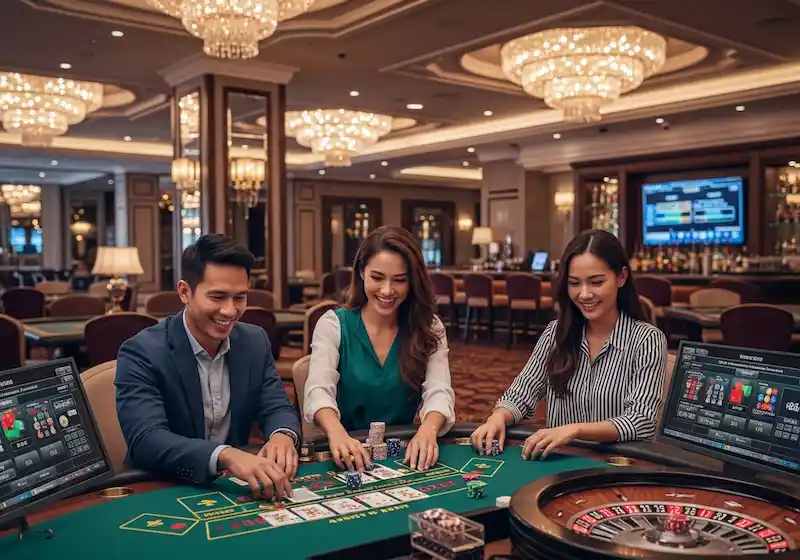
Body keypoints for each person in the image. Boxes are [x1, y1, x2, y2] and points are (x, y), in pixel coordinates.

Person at [115, 234, 300, 500]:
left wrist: (282, 435)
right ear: (184, 292)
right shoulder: (142, 351)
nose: (230, 311)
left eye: (240, 298)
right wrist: (225, 455)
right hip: (161, 486)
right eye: (217, 297)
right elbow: (147, 439)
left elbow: (276, 406)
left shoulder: (254, 341)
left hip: (231, 488)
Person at [472, 230, 666, 460]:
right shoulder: (556, 333)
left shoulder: (647, 339)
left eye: (596, 282)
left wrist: (575, 430)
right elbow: (521, 393)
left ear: (621, 277)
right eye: (574, 283)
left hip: (615, 466)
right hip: (560, 463)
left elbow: (641, 421)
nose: (584, 294)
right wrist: (498, 417)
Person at [304, 226, 455, 473]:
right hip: (345, 448)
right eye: (377, 277)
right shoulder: (333, 324)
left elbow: (439, 390)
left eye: (399, 280)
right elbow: (318, 390)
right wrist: (336, 433)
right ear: (361, 272)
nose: (387, 290)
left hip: (404, 450)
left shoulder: (429, 327)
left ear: (412, 281)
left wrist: (428, 430)